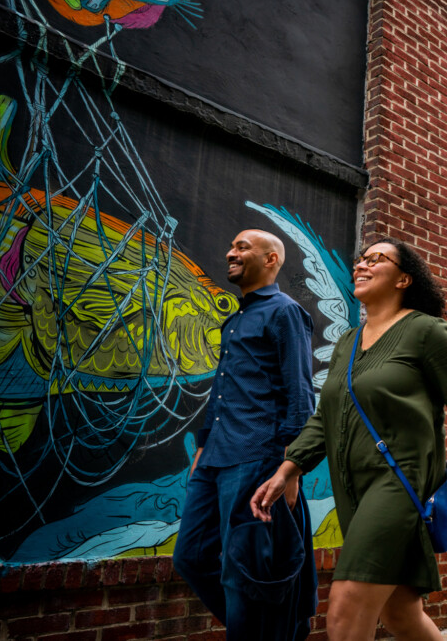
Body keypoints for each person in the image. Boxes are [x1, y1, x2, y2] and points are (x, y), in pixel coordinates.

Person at [250, 237, 447, 640]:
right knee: (400, 614)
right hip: (353, 489)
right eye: (360, 258)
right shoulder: (347, 342)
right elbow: (326, 416)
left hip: (399, 483)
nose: (361, 264)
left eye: (376, 259)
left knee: (345, 606)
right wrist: (288, 469)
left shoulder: (428, 332)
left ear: (403, 279)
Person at [173, 229, 318, 640]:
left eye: (241, 247)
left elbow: (299, 393)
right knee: (191, 557)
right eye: (231, 245)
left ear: (270, 259)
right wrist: (202, 446)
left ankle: (260, 631)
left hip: (257, 457)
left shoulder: (285, 312)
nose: (229, 252)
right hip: (215, 458)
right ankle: (266, 631)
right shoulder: (236, 318)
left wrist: (291, 469)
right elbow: (223, 390)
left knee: (245, 571)